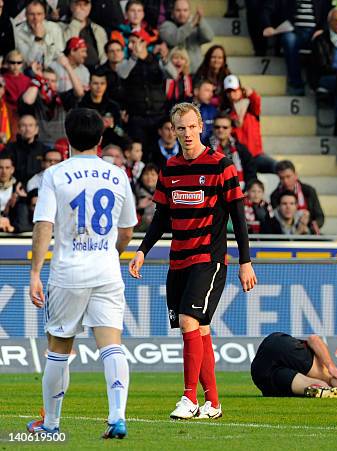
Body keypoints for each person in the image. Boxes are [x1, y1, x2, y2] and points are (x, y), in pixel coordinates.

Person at [128, 102, 257, 420]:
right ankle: (213, 404)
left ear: (202, 127)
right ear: (173, 130)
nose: (185, 133)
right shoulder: (170, 168)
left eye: (190, 126)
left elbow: (238, 216)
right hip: (178, 261)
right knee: (199, 330)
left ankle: (189, 398)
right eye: (179, 128)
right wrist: (143, 250)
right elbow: (161, 217)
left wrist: (245, 261)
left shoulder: (221, 165)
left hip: (209, 259)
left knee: (189, 321)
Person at [26, 108, 137, 438]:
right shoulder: (118, 175)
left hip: (68, 273)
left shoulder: (56, 175)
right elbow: (128, 229)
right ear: (101, 139)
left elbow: (43, 224)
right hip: (106, 272)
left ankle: (51, 424)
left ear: (67, 139)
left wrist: (35, 272)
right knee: (111, 345)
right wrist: (108, 255)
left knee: (59, 348)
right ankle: (117, 417)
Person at [251, 332, 337, 398]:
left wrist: (332, 368)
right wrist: (332, 368)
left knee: (320, 386)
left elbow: (313, 338)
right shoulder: (323, 367)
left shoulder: (322, 365)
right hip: (268, 374)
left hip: (261, 372)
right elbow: (314, 339)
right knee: (322, 383)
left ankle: (326, 389)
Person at [261, 0, 331, 96]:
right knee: (289, 40)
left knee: (321, 42)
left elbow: (330, 14)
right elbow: (267, 9)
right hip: (294, 31)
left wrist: (322, 29)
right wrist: (267, 26)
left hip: (315, 33)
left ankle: (318, 85)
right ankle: (296, 84)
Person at [221, 74, 276, 173]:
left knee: (280, 167)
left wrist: (251, 93)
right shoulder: (226, 113)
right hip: (239, 159)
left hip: (256, 155)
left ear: (240, 90)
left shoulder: (251, 108)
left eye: (234, 90)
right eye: (228, 91)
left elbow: (256, 101)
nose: (231, 94)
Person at [159, 0, 214, 73]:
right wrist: (191, 24)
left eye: (185, 10)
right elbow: (174, 39)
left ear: (189, 12)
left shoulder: (196, 25)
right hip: (173, 75)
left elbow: (209, 37)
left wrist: (200, 20)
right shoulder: (165, 26)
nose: (182, 14)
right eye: (178, 10)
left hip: (196, 73)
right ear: (172, 13)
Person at [270, 160, 324, 233]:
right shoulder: (274, 196)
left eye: (288, 176)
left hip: (308, 232)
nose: (285, 181)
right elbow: (275, 221)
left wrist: (310, 227)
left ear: (296, 175)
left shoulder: (309, 190)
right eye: (282, 178)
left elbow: (320, 217)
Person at [205, 114, 256, 190]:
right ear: (213, 128)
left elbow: (251, 171)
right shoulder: (205, 148)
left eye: (225, 127)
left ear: (231, 129)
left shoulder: (240, 148)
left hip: (239, 191)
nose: (221, 130)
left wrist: (247, 189)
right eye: (217, 127)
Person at [15, 0, 65, 67]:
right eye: (31, 14)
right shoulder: (18, 32)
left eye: (39, 14)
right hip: (29, 73)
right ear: (26, 15)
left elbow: (60, 55)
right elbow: (28, 62)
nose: (36, 18)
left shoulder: (54, 28)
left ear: (44, 15)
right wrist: (37, 40)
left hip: (52, 71)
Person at [63, 0, 108, 69]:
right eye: (78, 4)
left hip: (96, 71)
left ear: (90, 7)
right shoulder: (61, 27)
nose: (82, 7)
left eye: (85, 4)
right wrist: (76, 21)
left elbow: (104, 55)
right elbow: (67, 48)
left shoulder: (99, 30)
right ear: (71, 6)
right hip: (72, 69)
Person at [4, 115, 49, 184]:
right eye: (24, 125)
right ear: (18, 129)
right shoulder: (9, 149)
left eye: (31, 125)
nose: (27, 129)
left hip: (38, 190)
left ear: (36, 129)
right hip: (14, 189)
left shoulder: (44, 150)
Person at [0, 154, 31, 233]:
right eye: (0, 168)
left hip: (13, 232)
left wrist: (23, 200)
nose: (3, 171)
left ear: (12, 169)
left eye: (7, 168)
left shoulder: (20, 189)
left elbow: (27, 223)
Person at [194, 79, 218, 143]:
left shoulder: (214, 111)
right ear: (196, 91)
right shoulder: (185, 109)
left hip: (208, 150)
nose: (211, 94)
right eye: (207, 90)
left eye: (212, 91)